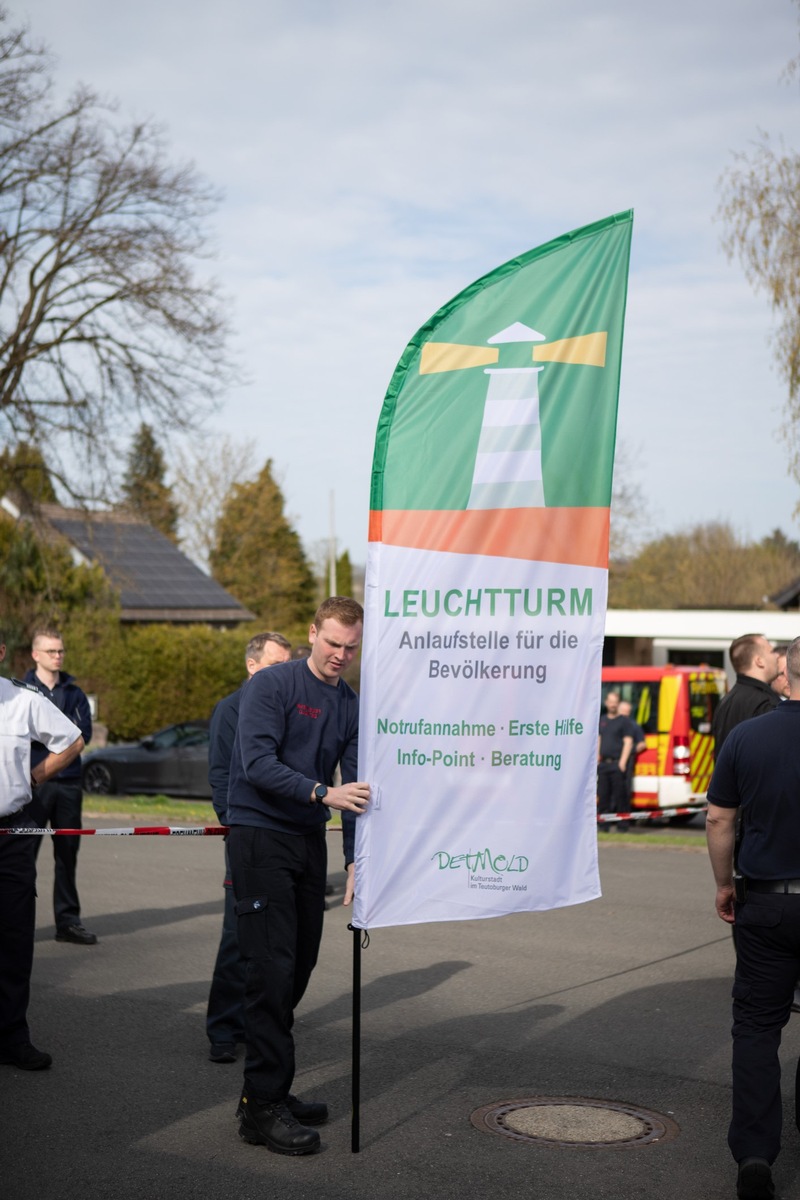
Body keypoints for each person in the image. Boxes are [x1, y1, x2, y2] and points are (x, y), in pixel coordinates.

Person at [227, 596, 370, 1156]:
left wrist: (357, 858)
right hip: (260, 836)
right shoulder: (272, 685)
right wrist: (318, 792)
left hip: (309, 840)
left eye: (351, 648)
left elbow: (355, 791)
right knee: (272, 969)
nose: (340, 655)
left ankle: (266, 1093)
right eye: (332, 642)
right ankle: (262, 1107)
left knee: (299, 967)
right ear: (313, 633)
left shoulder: (351, 703)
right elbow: (256, 763)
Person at [706, 635, 800, 1200]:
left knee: (758, 1029)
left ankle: (756, 1153)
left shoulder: (747, 734)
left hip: (766, 901)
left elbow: (719, 819)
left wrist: (723, 884)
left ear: (787, 669)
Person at [205, 631, 292, 1064]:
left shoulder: (290, 707)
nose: (286, 673)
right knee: (238, 937)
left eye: (288, 665)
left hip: (286, 838)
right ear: (252, 666)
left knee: (278, 942)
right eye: (277, 665)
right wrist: (237, 826)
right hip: (247, 837)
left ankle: (265, 1021)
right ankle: (224, 1027)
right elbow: (221, 778)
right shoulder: (230, 710)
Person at [0, 630, 85, 1070]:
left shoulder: (22, 700)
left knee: (14, 938)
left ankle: (12, 1036)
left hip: (11, 833)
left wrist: (33, 778)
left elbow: (72, 740)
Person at [23, 628, 96, 945]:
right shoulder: (21, 691)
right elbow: (23, 733)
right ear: (36, 654)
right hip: (34, 784)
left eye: (61, 651)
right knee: (23, 855)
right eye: (52, 651)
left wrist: (56, 739)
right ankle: (18, 919)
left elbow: (82, 735)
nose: (58, 656)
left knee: (67, 854)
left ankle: (68, 921)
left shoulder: (75, 693)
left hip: (68, 785)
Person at [712, 633, 781, 755]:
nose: (777, 656)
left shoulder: (725, 702)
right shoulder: (766, 703)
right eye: (771, 651)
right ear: (759, 661)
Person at [597, 690, 634, 820]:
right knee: (603, 796)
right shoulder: (601, 720)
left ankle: (623, 825)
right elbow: (599, 739)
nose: (612, 705)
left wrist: (622, 763)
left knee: (620, 797)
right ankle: (603, 825)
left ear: (618, 704)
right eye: (610, 702)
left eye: (615, 703)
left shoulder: (624, 721)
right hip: (603, 764)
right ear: (606, 703)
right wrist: (597, 758)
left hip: (616, 764)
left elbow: (628, 742)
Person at [617, 699, 646, 803]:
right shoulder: (611, 723)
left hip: (627, 760)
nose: (624, 715)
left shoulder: (633, 725)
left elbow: (642, 744)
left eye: (626, 712)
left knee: (624, 787)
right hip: (611, 760)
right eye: (622, 711)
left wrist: (631, 750)